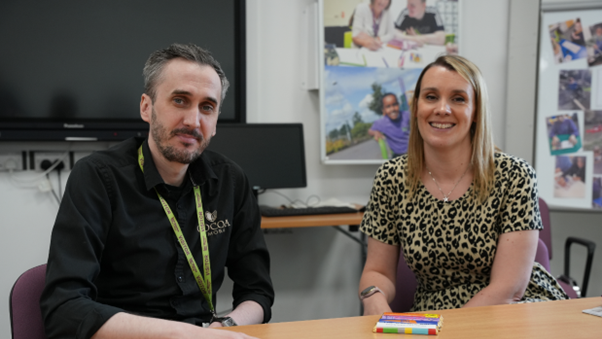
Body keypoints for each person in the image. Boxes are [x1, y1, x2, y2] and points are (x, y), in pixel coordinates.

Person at [40, 43, 274, 339]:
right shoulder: (97, 178)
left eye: (207, 107)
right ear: (146, 107)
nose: (193, 121)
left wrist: (226, 327)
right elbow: (64, 308)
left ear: (215, 123)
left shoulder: (231, 181)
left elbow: (258, 290)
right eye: (180, 100)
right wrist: (189, 335)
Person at [358, 55, 568, 314]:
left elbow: (509, 288)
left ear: (476, 111)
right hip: (434, 315)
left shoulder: (514, 175)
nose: (442, 109)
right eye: (431, 97)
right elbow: (378, 271)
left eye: (458, 98)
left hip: (513, 310)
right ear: (416, 108)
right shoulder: (390, 178)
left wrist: (452, 328)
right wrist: (374, 298)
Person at [368, 93, 411, 157]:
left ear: (398, 104)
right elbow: (370, 131)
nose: (392, 109)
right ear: (383, 110)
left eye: (394, 104)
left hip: (414, 151)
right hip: (398, 155)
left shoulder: (407, 115)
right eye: (388, 106)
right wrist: (375, 132)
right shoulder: (382, 122)